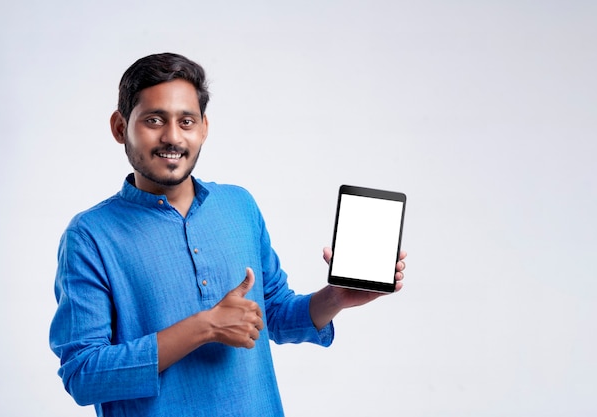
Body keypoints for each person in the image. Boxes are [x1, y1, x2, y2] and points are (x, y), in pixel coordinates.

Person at [49, 52, 406, 417]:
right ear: (119, 127)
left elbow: (275, 314)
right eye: (154, 120)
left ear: (204, 127)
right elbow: (84, 373)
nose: (172, 136)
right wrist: (203, 327)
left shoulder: (239, 205)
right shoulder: (89, 236)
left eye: (186, 121)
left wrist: (334, 298)